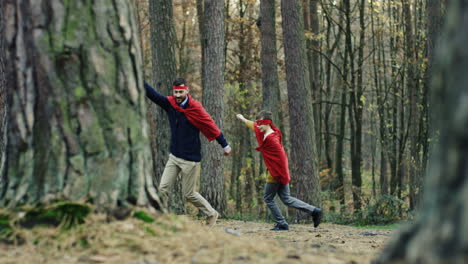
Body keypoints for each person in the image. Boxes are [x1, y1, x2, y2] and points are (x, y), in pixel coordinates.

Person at [145, 78, 232, 226]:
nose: (178, 95)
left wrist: (224, 145)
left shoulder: (195, 108)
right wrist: (139, 77)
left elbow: (210, 125)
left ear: (187, 91)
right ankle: (159, 218)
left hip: (190, 159)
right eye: (176, 92)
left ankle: (212, 213)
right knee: (163, 189)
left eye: (181, 92)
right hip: (174, 156)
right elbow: (153, 95)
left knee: (189, 194)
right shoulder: (170, 104)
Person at [236, 110, 322, 231]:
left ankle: (282, 223)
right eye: (257, 123)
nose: (258, 125)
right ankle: (314, 211)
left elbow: (282, 158)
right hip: (279, 173)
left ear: (268, 123)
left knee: (268, 198)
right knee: (286, 199)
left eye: (260, 123)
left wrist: (280, 174)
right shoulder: (264, 132)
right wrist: (243, 119)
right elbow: (253, 125)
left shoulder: (272, 139)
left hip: (276, 173)